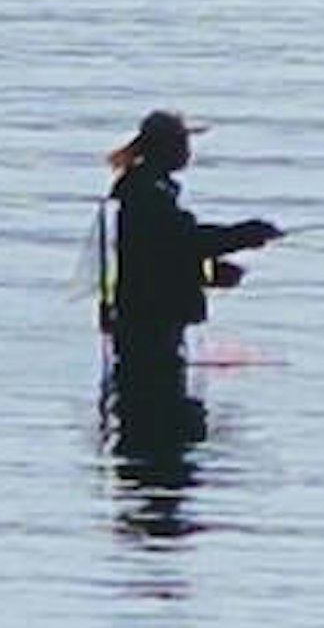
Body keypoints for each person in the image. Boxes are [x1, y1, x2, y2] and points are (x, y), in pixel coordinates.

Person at [99, 108, 281, 421]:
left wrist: (210, 271)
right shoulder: (146, 194)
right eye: (183, 143)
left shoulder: (146, 189)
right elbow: (183, 241)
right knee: (160, 411)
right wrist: (246, 234)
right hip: (148, 322)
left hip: (145, 318)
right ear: (165, 149)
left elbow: (161, 254)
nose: (188, 151)